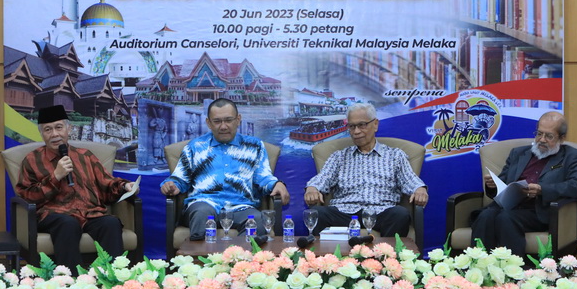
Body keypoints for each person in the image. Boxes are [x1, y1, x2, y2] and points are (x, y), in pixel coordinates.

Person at [15, 105, 137, 271]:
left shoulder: (85, 156)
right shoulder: (32, 160)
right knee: (68, 223)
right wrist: (56, 176)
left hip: (90, 212)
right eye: (48, 130)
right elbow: (27, 195)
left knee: (110, 223)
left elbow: (106, 183)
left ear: (69, 129)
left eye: (59, 127)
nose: (54, 134)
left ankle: (113, 278)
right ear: (42, 134)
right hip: (54, 215)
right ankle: (72, 280)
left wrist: (125, 186)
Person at [160, 98, 290, 239]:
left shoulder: (254, 146)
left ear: (238, 120)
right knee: (201, 213)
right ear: (208, 123)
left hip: (241, 206)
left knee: (257, 221)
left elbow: (263, 177)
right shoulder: (195, 147)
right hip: (204, 203)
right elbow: (180, 178)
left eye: (228, 120)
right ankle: (201, 254)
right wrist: (172, 185)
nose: (223, 126)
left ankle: (236, 253)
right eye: (217, 121)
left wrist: (276, 184)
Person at [471, 111, 577, 257]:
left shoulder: (572, 156)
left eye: (549, 136)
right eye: (539, 134)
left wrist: (542, 190)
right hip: (508, 205)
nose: (542, 140)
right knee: (485, 215)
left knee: (505, 218)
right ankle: (479, 264)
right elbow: (502, 183)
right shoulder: (518, 153)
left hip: (537, 211)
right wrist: (492, 185)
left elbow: (576, 186)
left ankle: (512, 266)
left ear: (562, 138)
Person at [304, 103, 429, 237]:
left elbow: (410, 179)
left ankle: (385, 251)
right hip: (345, 212)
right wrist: (312, 188)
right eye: (352, 126)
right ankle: (329, 252)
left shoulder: (395, 155)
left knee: (400, 214)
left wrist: (419, 189)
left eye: (362, 125)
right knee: (318, 213)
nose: (356, 131)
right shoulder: (339, 156)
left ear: (375, 124)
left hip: (381, 212)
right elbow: (323, 178)